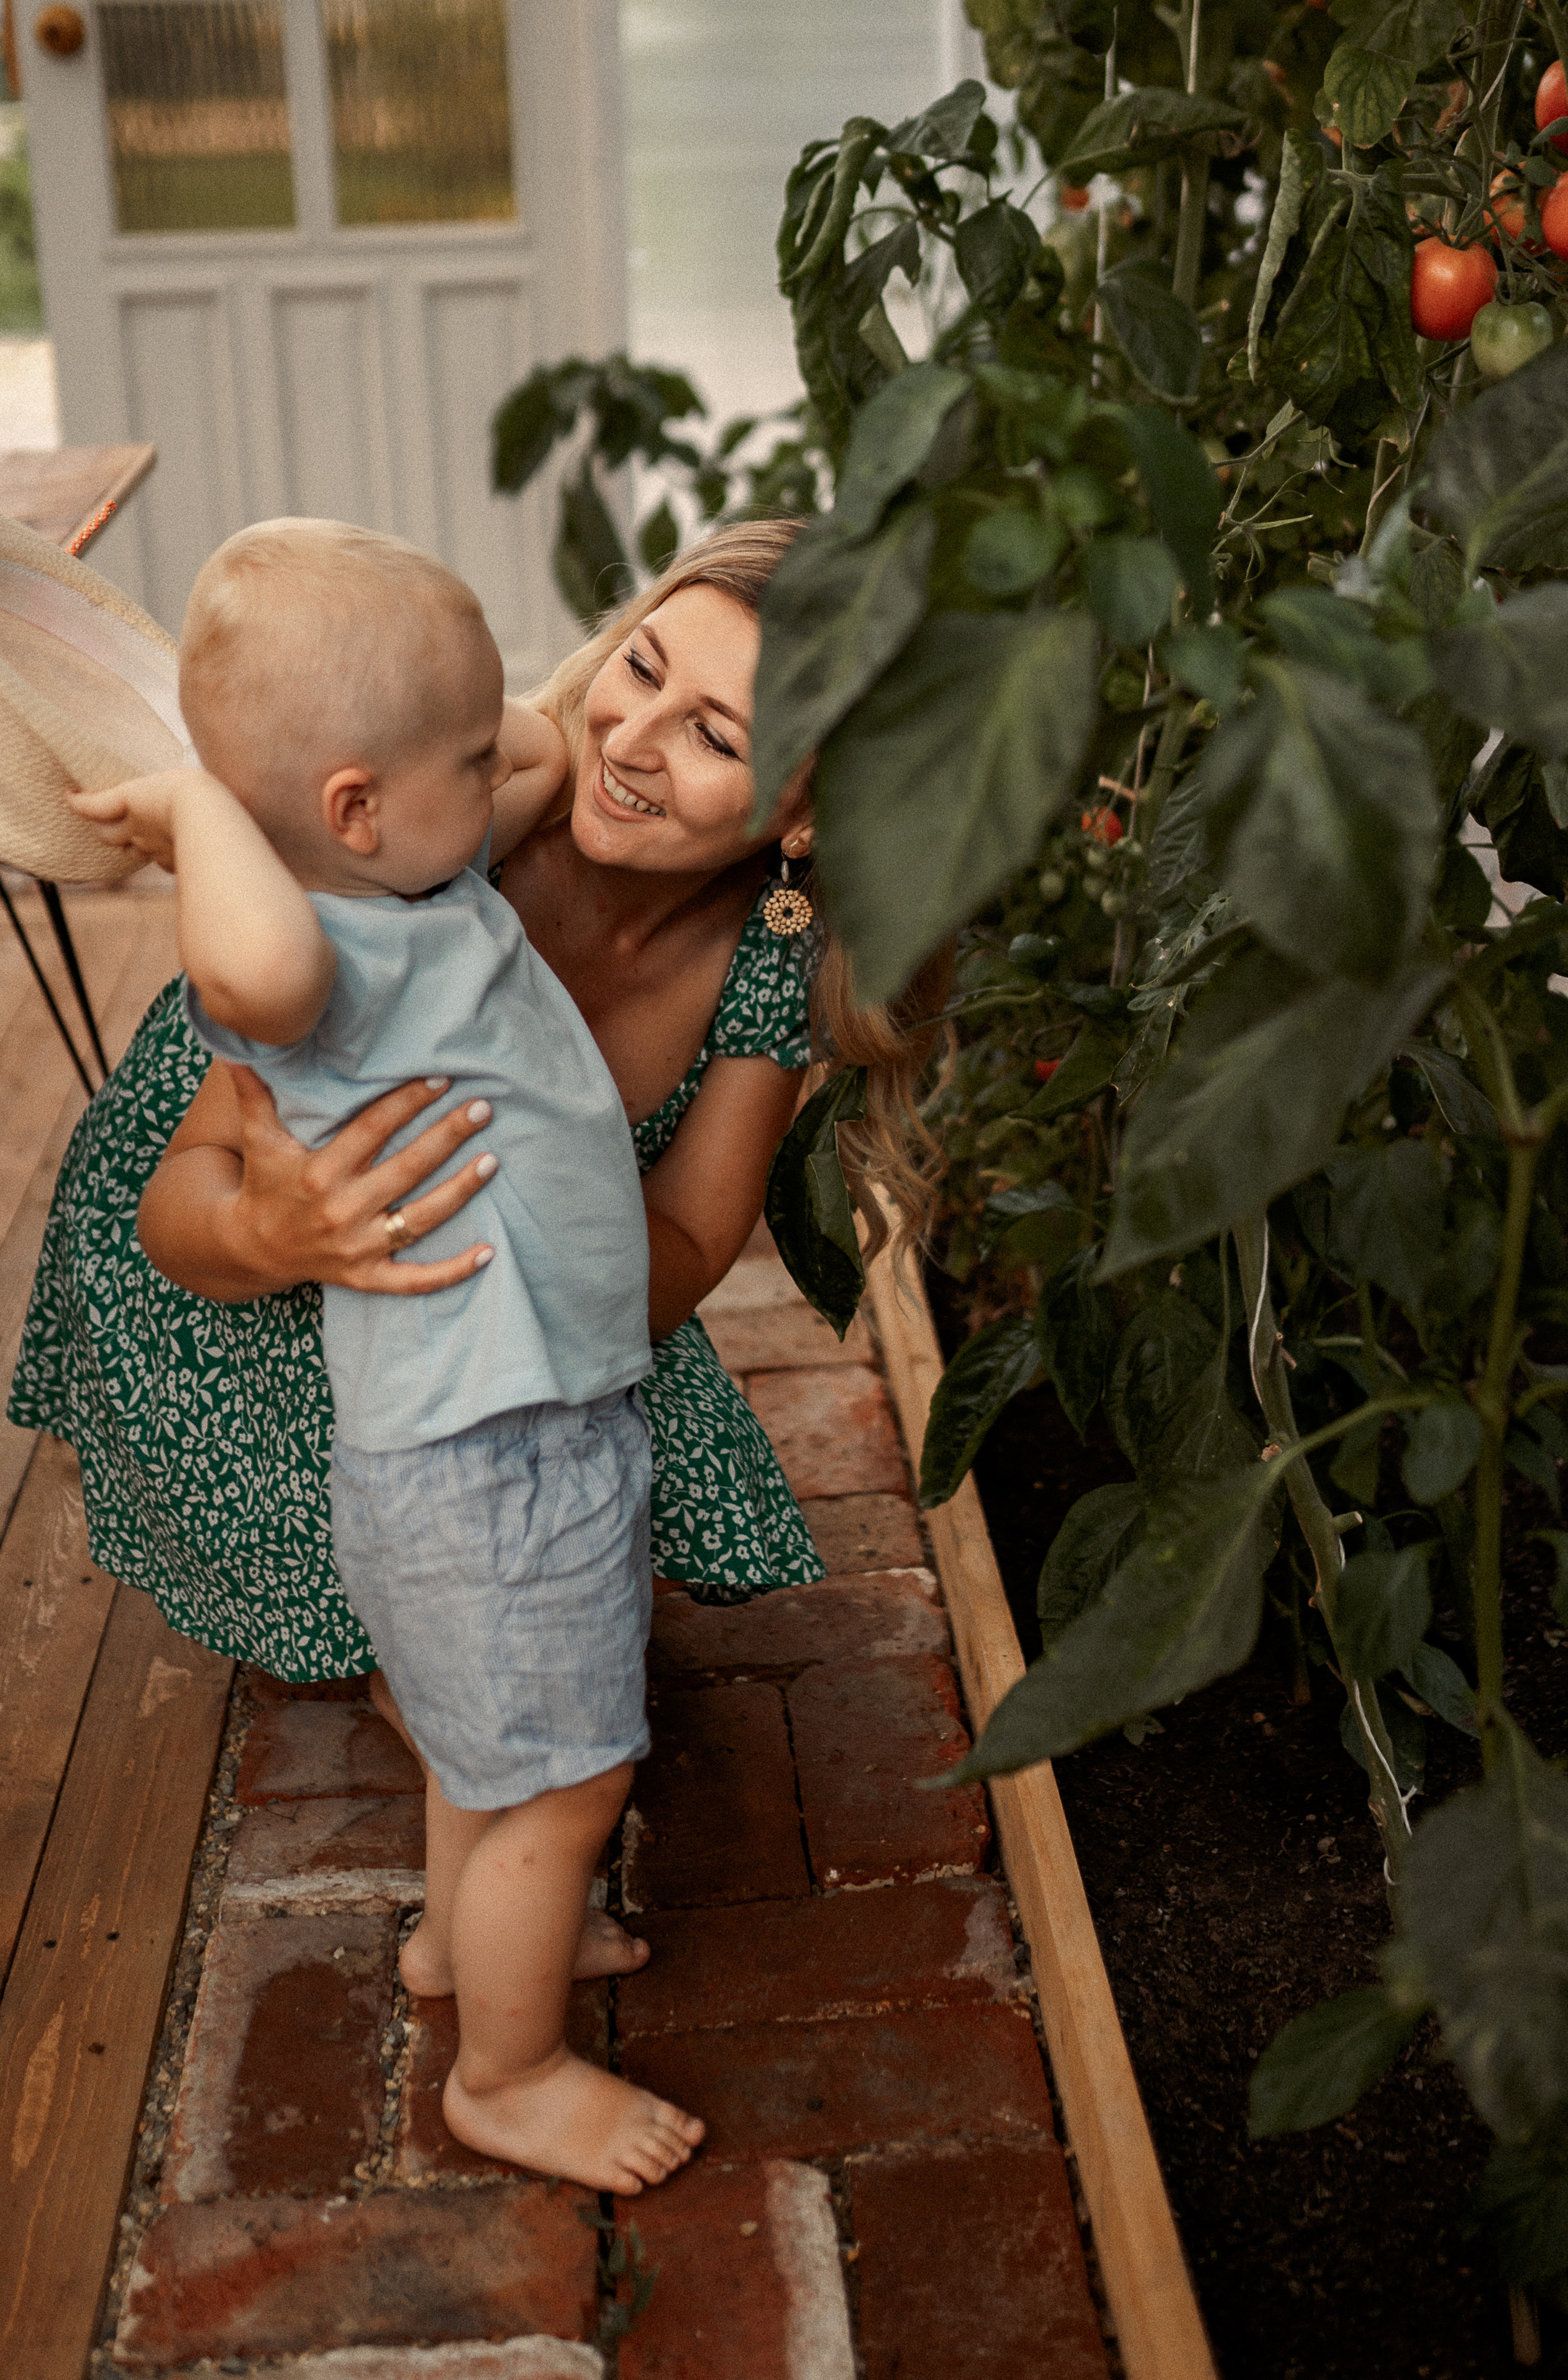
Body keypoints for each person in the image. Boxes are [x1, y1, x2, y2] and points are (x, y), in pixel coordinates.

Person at [9, 514, 947, 1971]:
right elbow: (178, 1197)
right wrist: (278, 1225)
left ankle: (465, 1713)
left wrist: (529, 1357)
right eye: (638, 666)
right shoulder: (474, 823)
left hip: (499, 1270)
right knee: (501, 1691)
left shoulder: (771, 957)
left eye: (713, 733)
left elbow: (692, 1234)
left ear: (807, 816)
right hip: (227, 1255)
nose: (632, 736)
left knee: (555, 1624)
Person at [69, 516, 704, 2194]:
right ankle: (509, 2072)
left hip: (512, 1432)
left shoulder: (415, 885)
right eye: (455, 753)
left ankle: (462, 1951)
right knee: (577, 1777)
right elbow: (258, 951)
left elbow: (521, 760)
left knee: (492, 1751)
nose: (505, 765)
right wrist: (197, 805)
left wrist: (507, 728)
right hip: (480, 1457)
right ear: (352, 808)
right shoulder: (316, 956)